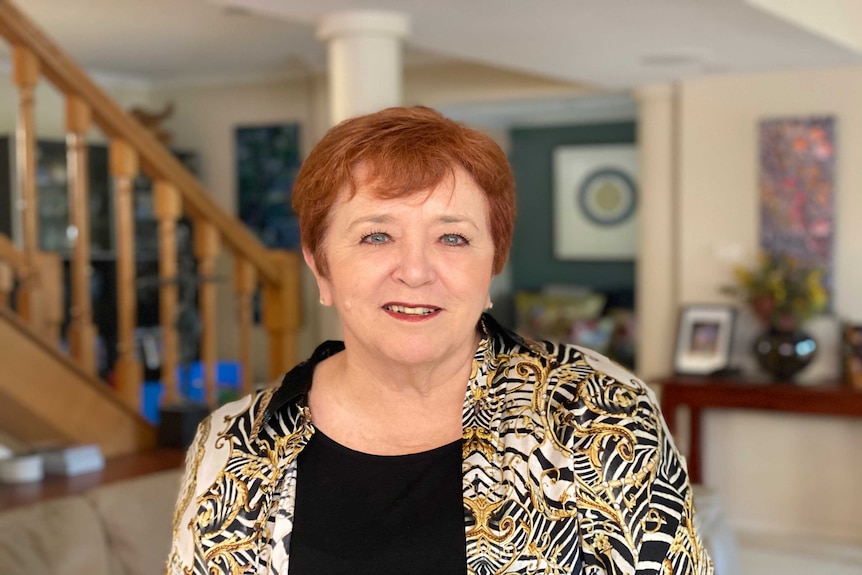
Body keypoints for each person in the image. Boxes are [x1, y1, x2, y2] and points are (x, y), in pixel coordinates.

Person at [167, 106, 713, 575]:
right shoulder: (229, 443)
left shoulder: (604, 413)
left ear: (493, 266)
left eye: (452, 237)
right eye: (376, 235)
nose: (415, 270)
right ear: (321, 267)